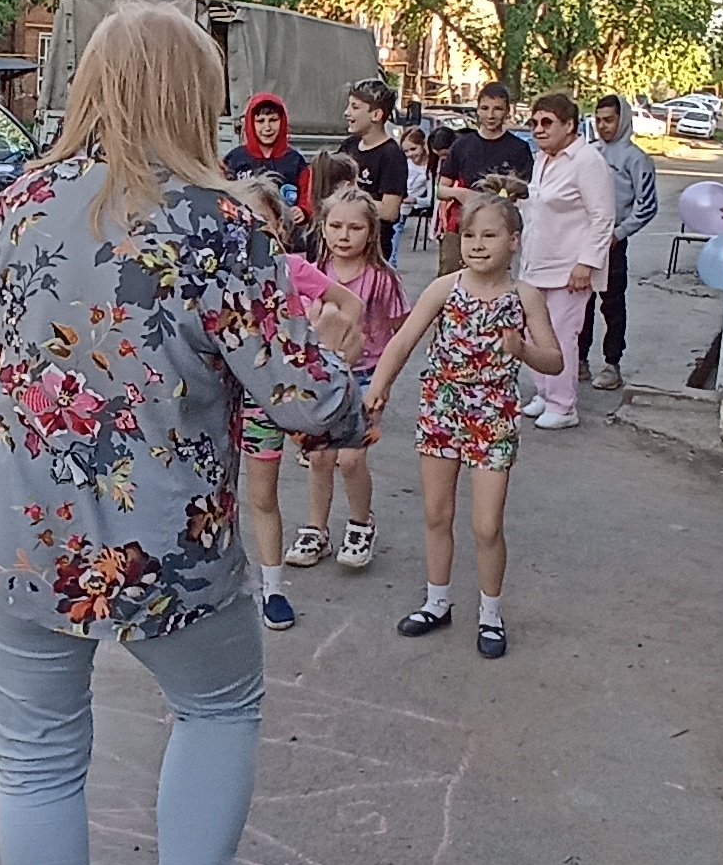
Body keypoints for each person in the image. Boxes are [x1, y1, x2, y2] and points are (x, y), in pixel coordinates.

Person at [0, 3, 362, 865]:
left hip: (19, 538)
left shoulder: (16, 205)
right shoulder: (219, 221)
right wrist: (342, 364)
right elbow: (301, 400)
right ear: (195, 94)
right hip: (166, 548)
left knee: (36, 761)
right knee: (218, 708)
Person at [365, 178, 564, 658]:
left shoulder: (526, 296)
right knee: (437, 512)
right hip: (441, 409)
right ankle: (437, 602)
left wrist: (523, 350)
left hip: (494, 416)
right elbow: (404, 340)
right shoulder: (445, 288)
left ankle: (490, 613)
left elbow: (555, 361)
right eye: (469, 235)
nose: (477, 244)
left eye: (489, 235)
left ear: (513, 241)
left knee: (487, 524)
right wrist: (378, 386)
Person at [227, 177, 361, 632]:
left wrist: (334, 358)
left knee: (327, 465)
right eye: (241, 221)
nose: (251, 231)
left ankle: (277, 584)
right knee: (251, 495)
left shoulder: (293, 268)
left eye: (262, 223)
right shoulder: (218, 277)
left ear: (281, 229)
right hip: (242, 401)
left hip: (290, 398)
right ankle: (259, 584)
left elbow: (349, 305)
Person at [288, 184, 410, 572]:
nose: (344, 235)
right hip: (321, 377)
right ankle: (316, 529)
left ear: (371, 232)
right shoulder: (312, 273)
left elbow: (402, 332)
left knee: (352, 458)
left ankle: (360, 524)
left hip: (366, 376)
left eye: (355, 227)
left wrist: (384, 382)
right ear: (322, 228)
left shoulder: (383, 279)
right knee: (320, 457)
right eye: (336, 226)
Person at [513, 93, 616, 431]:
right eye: (534, 123)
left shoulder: (587, 161)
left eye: (547, 122)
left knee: (560, 335)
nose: (538, 129)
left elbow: (602, 217)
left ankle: (563, 404)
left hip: (569, 270)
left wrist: (587, 263)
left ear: (569, 125)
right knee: (534, 331)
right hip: (535, 264)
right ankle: (545, 392)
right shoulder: (542, 159)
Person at [583, 94, 663, 390]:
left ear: (623, 120)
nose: (603, 126)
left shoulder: (636, 159)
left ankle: (611, 364)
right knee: (581, 302)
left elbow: (647, 206)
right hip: (583, 239)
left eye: (609, 120)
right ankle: (579, 360)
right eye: (598, 120)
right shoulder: (589, 152)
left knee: (612, 305)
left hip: (613, 242)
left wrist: (619, 233)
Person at [435, 83, 532, 276]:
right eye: (485, 108)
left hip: (499, 229)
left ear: (507, 111)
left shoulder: (519, 148)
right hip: (463, 226)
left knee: (496, 279)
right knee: (452, 279)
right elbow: (441, 189)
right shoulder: (462, 145)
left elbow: (528, 192)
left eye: (497, 109)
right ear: (478, 110)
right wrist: (460, 193)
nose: (491, 115)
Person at [333, 78, 412, 262]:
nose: (347, 112)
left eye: (355, 107)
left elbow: (389, 211)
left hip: (373, 250)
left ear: (376, 115)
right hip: (340, 244)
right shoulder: (349, 145)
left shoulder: (392, 155)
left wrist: (352, 196)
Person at [220, 92, 309, 213]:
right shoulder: (234, 159)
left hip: (286, 223)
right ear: (250, 123)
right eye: (260, 121)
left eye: (273, 120)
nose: (267, 127)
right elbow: (223, 196)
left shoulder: (295, 161)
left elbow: (307, 197)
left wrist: (302, 211)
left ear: (283, 121)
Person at [399, 124, 435, 253]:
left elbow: (431, 199)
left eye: (413, 149)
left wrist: (414, 200)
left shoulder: (429, 168)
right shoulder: (402, 162)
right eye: (406, 151)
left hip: (408, 207)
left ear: (423, 145)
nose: (410, 154)